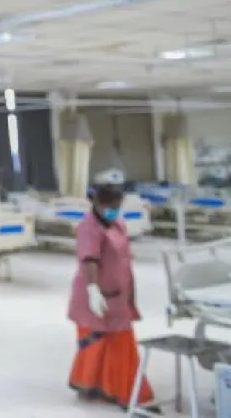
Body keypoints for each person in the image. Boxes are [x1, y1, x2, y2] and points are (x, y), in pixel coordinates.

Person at [67, 169, 155, 410]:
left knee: (110, 344)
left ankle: (105, 387)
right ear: (96, 202)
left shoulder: (118, 224)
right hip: (94, 296)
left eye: (117, 205)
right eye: (109, 205)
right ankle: (131, 394)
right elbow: (89, 261)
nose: (114, 209)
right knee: (105, 344)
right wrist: (93, 290)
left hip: (118, 296)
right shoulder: (89, 228)